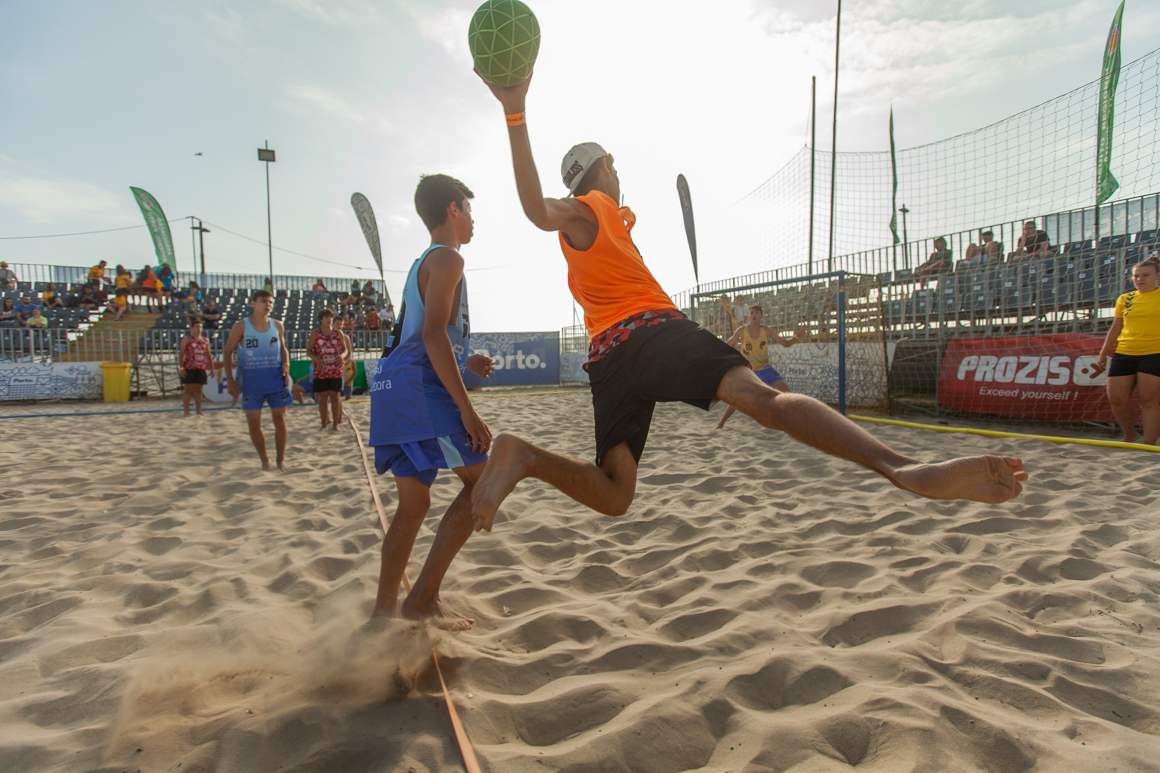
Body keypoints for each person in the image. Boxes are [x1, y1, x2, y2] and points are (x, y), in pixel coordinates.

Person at [468, 73, 1027, 535]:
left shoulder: (599, 234)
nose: (619, 175)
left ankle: (523, 455)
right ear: (604, 169)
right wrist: (516, 113)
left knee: (615, 494)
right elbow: (537, 210)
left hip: (608, 357)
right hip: (652, 331)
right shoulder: (589, 207)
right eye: (614, 166)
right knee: (765, 400)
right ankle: (905, 468)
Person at [368, 173, 496, 629]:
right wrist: (466, 407)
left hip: (393, 388)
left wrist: (466, 363)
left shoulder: (425, 260)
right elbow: (431, 333)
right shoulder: (447, 259)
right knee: (484, 483)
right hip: (418, 390)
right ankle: (422, 598)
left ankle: (382, 616)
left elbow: (420, 336)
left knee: (413, 505)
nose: (474, 219)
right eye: (469, 208)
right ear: (454, 211)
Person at [1093, 257, 1160, 444]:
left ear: (1157, 276)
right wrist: (1103, 353)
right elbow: (1115, 328)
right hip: (1125, 352)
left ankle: (1149, 443)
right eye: (1136, 276)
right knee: (1116, 399)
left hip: (1154, 352)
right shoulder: (1125, 299)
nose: (1140, 279)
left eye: (1145, 275)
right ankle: (1130, 434)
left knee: (1148, 401)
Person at [223, 290, 291, 470]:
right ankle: (264, 461)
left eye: (270, 302)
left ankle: (280, 460)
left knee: (280, 420)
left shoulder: (277, 325)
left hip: (275, 380)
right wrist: (230, 380)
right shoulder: (241, 326)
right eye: (263, 301)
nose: (268, 305)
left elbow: (284, 349)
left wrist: (286, 364)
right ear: (253, 303)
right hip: (252, 383)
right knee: (254, 423)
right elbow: (228, 351)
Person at [717, 306, 807, 428]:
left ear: (761, 316)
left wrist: (797, 337)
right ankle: (721, 423)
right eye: (751, 313)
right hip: (749, 370)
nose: (754, 315)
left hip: (765, 368)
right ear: (748, 316)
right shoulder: (741, 330)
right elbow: (726, 345)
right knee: (737, 399)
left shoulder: (767, 330)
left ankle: (789, 418)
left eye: (757, 313)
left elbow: (785, 343)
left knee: (784, 388)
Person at [306, 308, 350, 430]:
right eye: (326, 317)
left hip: (335, 370)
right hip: (321, 370)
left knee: (335, 396)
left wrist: (342, 356)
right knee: (323, 397)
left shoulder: (338, 333)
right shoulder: (315, 333)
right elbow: (308, 351)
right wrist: (316, 359)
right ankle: (324, 424)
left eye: (330, 317)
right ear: (321, 319)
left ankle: (336, 424)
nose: (329, 319)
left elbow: (345, 350)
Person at [178, 318, 212, 416]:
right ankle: (186, 410)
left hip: (201, 367)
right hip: (189, 367)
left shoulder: (205, 340)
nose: (199, 328)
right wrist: (181, 368)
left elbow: (208, 354)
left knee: (199, 389)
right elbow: (181, 354)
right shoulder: (187, 339)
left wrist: (212, 368)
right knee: (187, 388)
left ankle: (198, 410)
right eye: (197, 327)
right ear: (192, 328)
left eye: (200, 326)